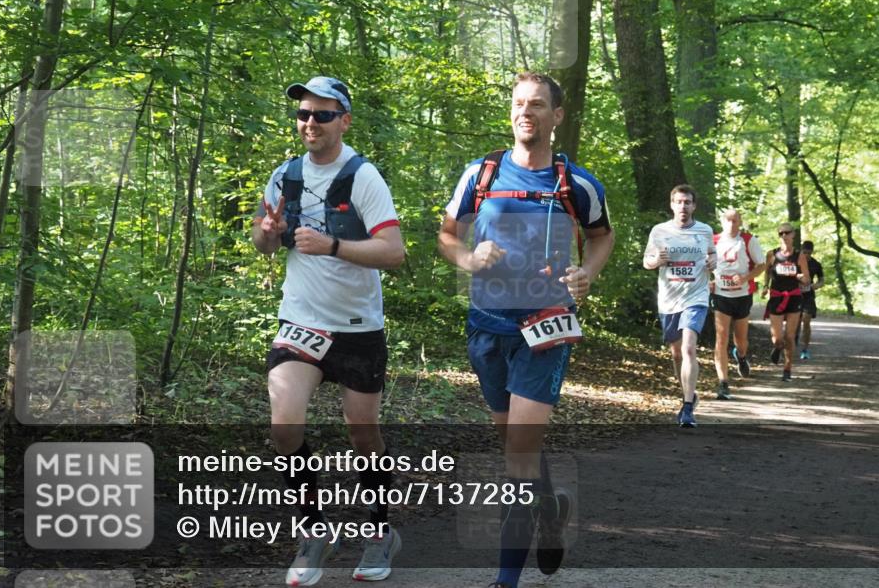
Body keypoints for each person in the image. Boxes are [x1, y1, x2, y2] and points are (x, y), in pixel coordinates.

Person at [438, 72, 614, 588]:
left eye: (537, 105)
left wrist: (587, 273)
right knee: (516, 449)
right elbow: (447, 236)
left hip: (546, 327)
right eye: (519, 104)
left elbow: (602, 237)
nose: (525, 112)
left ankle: (505, 578)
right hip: (487, 327)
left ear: (556, 117)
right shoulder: (480, 174)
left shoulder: (576, 183)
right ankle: (551, 506)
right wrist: (469, 258)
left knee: (518, 453)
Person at [253, 76, 406, 586]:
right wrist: (267, 235)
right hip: (301, 322)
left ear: (344, 119)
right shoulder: (284, 175)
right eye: (303, 114)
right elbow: (262, 242)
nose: (309, 124)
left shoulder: (364, 177)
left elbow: (394, 252)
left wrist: (334, 246)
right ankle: (312, 531)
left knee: (364, 435)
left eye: (321, 115)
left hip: (359, 328)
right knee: (284, 425)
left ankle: (380, 532)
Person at [643, 185, 717, 427]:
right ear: (672, 205)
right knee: (676, 354)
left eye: (687, 202)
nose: (683, 207)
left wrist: (712, 262)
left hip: (695, 297)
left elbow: (713, 255)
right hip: (668, 299)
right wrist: (657, 260)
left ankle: (687, 408)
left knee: (688, 348)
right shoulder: (660, 231)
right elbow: (647, 262)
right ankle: (689, 392)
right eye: (679, 202)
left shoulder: (704, 230)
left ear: (694, 206)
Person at [709, 209, 766, 399]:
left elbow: (761, 265)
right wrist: (708, 281)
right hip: (721, 294)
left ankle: (741, 356)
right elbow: (704, 264)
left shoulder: (749, 240)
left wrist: (745, 278)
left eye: (735, 221)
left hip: (742, 295)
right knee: (721, 337)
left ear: (740, 221)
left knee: (741, 340)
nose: (732, 224)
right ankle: (723, 383)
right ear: (722, 221)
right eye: (728, 220)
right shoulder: (713, 240)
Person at [763, 223, 810, 381]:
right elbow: (767, 272)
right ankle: (777, 347)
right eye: (780, 233)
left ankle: (787, 369)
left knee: (790, 337)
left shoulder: (800, 256)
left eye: (787, 232)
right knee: (777, 338)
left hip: (794, 297)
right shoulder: (772, 254)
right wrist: (764, 286)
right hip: (776, 297)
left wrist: (799, 277)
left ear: (793, 235)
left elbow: (807, 279)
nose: (784, 236)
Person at [797, 240, 824, 360]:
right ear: (801, 251)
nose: (806, 255)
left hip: (809, 296)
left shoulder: (816, 264)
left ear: (812, 252)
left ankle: (805, 349)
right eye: (804, 252)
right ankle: (793, 342)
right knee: (795, 322)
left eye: (808, 252)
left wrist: (816, 286)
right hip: (795, 295)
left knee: (806, 320)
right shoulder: (795, 262)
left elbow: (822, 280)